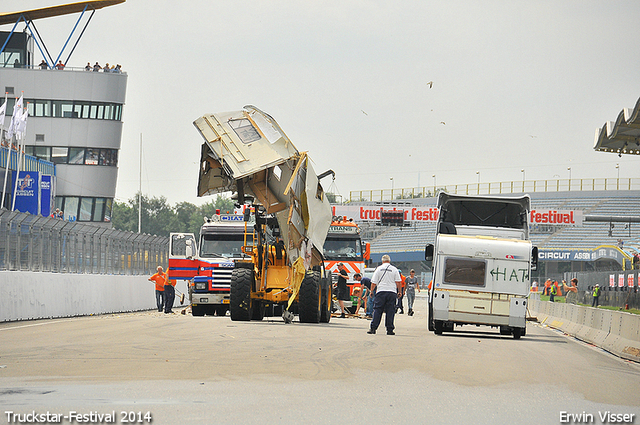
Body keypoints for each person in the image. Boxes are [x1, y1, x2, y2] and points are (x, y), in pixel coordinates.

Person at [367, 255, 402, 335]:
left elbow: (374, 282)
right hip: (392, 292)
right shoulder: (394, 269)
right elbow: (398, 282)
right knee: (390, 311)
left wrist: (371, 291)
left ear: (382, 261)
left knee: (377, 310)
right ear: (389, 261)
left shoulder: (378, 269)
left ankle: (373, 328)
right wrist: (399, 291)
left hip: (381, 292)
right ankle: (389, 330)